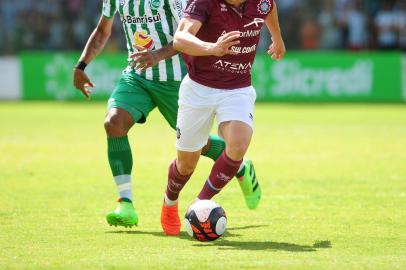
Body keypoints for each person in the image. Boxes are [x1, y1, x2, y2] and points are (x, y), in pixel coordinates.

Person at [73, 0, 261, 228]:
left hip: (176, 79)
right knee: (114, 123)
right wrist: (81, 66)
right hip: (137, 76)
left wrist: (158, 55)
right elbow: (102, 30)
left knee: (194, 148)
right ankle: (126, 204)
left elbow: (189, 34)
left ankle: (239, 164)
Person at [160, 0, 285, 235]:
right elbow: (180, 39)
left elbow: (269, 8)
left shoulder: (260, 2)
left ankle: (199, 203)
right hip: (198, 89)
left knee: (238, 144)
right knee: (186, 164)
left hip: (237, 88)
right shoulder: (203, 3)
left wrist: (276, 37)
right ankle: (169, 202)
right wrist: (212, 48)